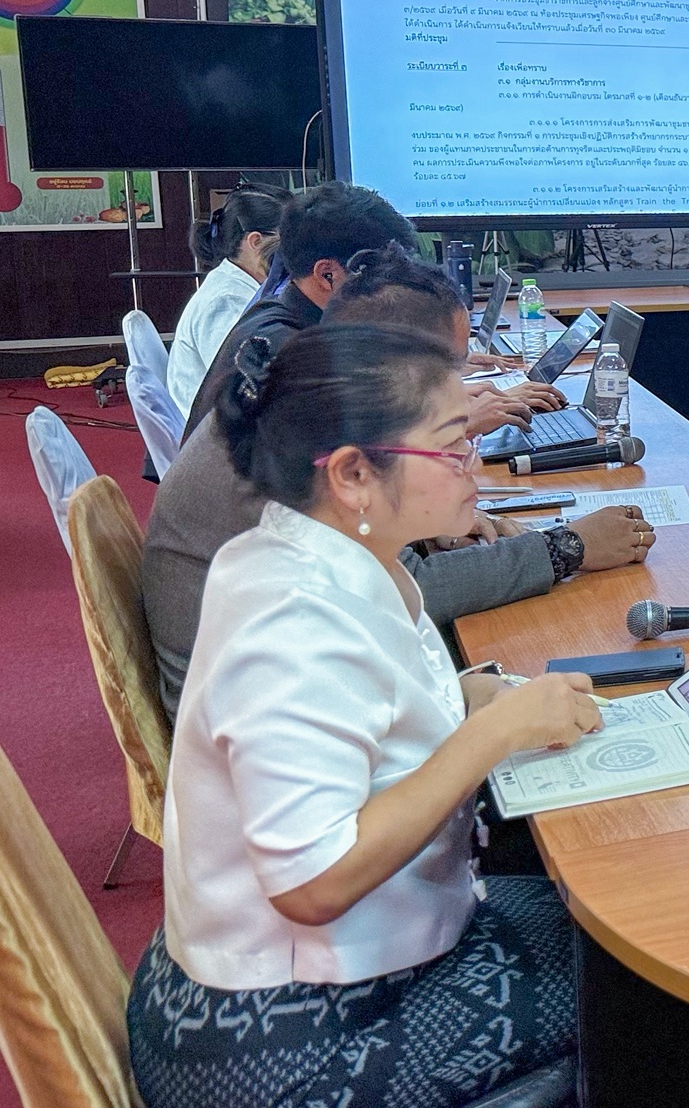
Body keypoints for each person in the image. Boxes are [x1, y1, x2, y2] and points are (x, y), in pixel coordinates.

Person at [128, 323, 603, 1108]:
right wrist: (491, 731)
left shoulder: (330, 553)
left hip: (307, 986)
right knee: (646, 996)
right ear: (352, 472)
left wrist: (465, 700)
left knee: (597, 918)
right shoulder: (291, 618)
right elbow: (311, 885)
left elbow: (368, 718)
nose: (477, 466)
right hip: (277, 1044)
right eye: (455, 447)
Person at [143, 246, 656, 721]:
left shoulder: (309, 393)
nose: (459, 385)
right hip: (272, 728)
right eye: (448, 369)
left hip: (293, 690)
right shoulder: (307, 438)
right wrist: (568, 546)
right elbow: (418, 589)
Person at [186, 180, 416, 431]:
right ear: (328, 274)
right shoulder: (285, 350)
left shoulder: (287, 310)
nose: (396, 286)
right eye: (383, 272)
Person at [166, 184, 288, 415]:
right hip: (217, 435)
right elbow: (242, 386)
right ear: (255, 241)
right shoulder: (224, 301)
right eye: (288, 239)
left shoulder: (238, 285)